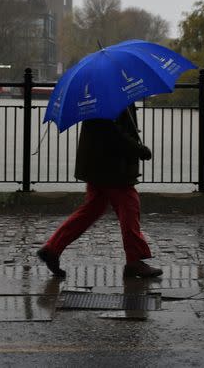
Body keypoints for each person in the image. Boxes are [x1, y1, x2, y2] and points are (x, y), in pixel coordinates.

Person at [37, 104, 162, 278]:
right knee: (130, 208)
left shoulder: (100, 97)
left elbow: (110, 131)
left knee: (91, 210)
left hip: (97, 164)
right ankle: (134, 261)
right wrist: (137, 149)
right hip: (112, 167)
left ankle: (52, 248)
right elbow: (112, 134)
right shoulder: (111, 97)